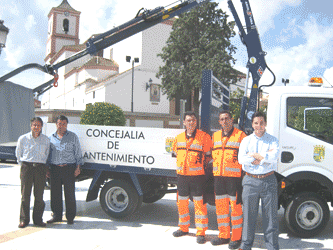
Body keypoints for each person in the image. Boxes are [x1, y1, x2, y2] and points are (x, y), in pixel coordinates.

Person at [238, 111, 280, 250]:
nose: (259, 126)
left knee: (270, 218)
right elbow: (241, 159)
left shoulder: (273, 140)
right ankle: (246, 246)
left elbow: (274, 157)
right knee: (249, 217)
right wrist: (262, 158)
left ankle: (272, 246)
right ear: (252, 124)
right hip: (250, 181)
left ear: (265, 123)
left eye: (261, 122)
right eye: (256, 123)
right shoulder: (246, 140)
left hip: (269, 181)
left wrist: (254, 156)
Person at [172, 111, 212, 244]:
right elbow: (175, 153)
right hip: (182, 177)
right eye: (188, 120)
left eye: (193, 120)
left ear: (196, 122)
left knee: (199, 205)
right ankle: (183, 228)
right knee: (181, 203)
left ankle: (200, 233)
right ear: (183, 122)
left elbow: (208, 156)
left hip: (197, 177)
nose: (191, 122)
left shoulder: (204, 137)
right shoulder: (178, 138)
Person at [210, 111, 246, 249]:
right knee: (221, 209)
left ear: (232, 120)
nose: (224, 121)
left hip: (234, 179)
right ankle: (223, 235)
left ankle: (236, 237)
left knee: (236, 209)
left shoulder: (241, 136)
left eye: (227, 119)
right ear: (219, 122)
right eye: (221, 119)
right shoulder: (215, 136)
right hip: (219, 178)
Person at [47, 115, 83, 225]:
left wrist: (78, 167)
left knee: (70, 194)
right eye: (59, 123)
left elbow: (78, 153)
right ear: (56, 124)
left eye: (64, 124)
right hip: (55, 169)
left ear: (67, 125)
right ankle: (57, 216)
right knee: (55, 194)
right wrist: (47, 169)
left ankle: (70, 217)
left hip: (69, 168)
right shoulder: (50, 138)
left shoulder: (73, 137)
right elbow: (47, 154)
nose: (61, 126)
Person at [16, 117, 50, 228]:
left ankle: (38, 220)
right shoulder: (23, 138)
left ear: (41, 127)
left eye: (38, 125)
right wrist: (23, 167)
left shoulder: (46, 140)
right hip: (27, 168)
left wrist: (44, 168)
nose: (36, 127)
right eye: (34, 125)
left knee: (39, 195)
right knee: (25, 195)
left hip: (40, 168)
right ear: (31, 126)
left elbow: (47, 154)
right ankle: (24, 220)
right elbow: (18, 153)